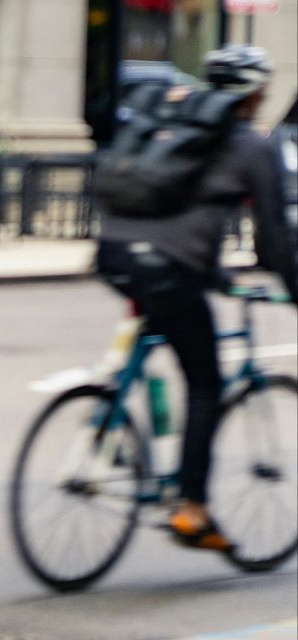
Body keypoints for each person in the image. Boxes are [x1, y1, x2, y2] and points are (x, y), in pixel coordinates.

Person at [98, 45, 297, 551]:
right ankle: (191, 508)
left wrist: (213, 275)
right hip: (169, 269)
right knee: (205, 382)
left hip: (114, 251)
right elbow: (273, 243)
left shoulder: (172, 123)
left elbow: (181, 207)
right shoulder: (253, 148)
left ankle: (112, 411)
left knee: (163, 319)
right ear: (254, 95)